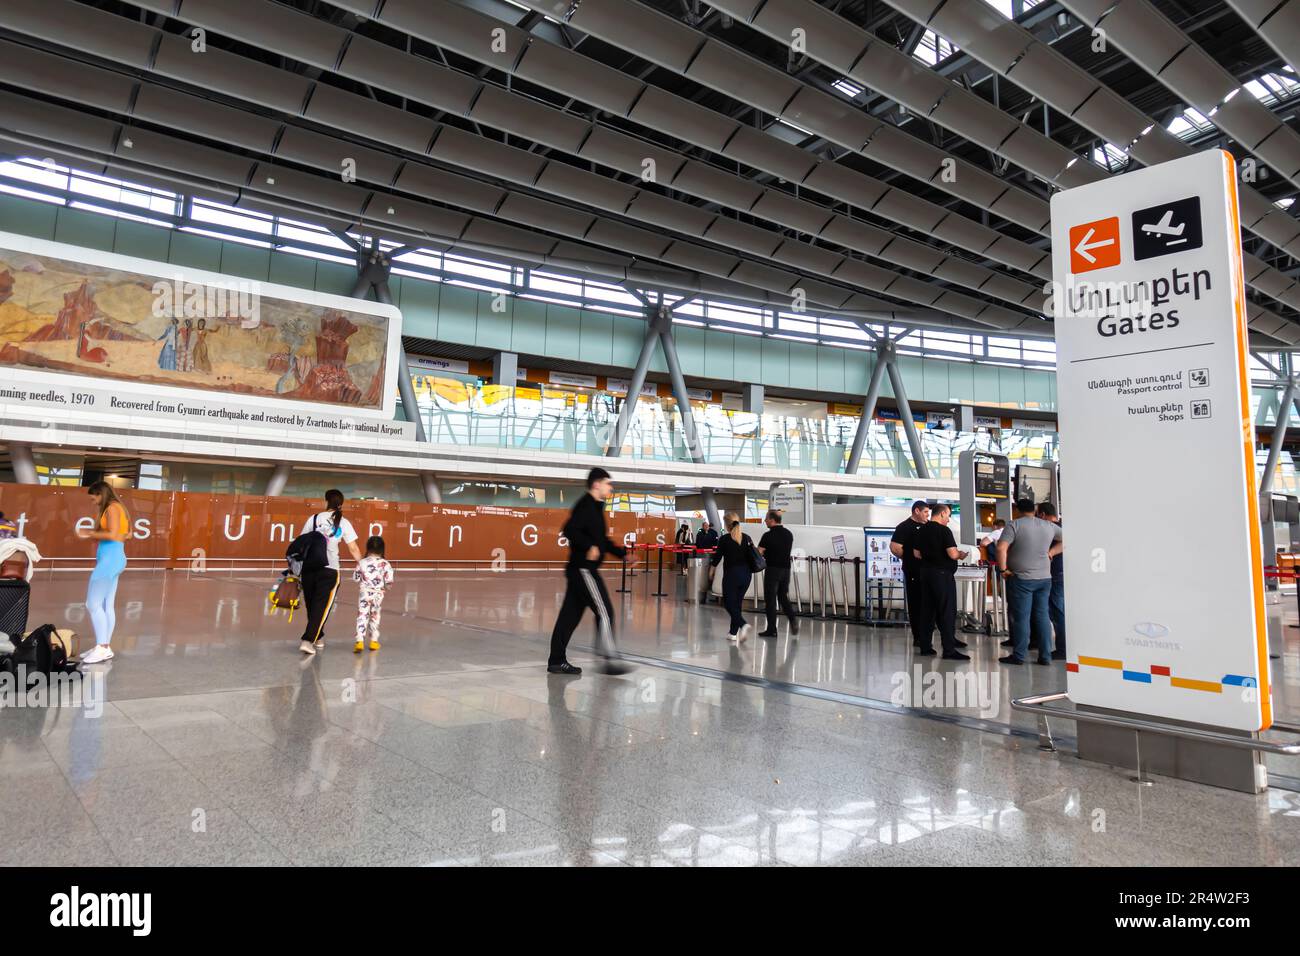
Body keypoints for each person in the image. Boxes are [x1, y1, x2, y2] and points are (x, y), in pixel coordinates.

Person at [547, 467, 628, 674]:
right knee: (605, 611)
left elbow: (601, 541)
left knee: (569, 617)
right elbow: (569, 530)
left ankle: (557, 660)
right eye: (608, 483)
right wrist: (588, 546)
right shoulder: (585, 506)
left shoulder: (596, 508)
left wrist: (622, 554)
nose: (610, 487)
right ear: (596, 484)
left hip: (579, 570)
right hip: (584, 570)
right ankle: (610, 659)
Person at [997, 498, 1062, 665]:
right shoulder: (1048, 526)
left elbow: (1001, 547)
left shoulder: (1014, 525)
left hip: (1022, 579)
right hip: (1044, 579)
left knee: (1022, 618)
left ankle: (1019, 656)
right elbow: (1067, 539)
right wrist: (1052, 552)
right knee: (1042, 616)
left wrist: (1003, 569)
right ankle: (1045, 656)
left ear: (1017, 510)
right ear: (1034, 510)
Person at [298, 489, 361, 656]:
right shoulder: (344, 522)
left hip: (309, 568)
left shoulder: (314, 519)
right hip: (330, 569)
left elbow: (301, 542)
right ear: (341, 504)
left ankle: (318, 637)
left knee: (313, 606)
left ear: (325, 501)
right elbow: (353, 548)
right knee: (322, 606)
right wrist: (362, 564)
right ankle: (307, 640)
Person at [75, 481, 130, 664]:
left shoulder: (112, 508)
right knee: (107, 605)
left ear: (101, 494)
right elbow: (127, 534)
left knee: (93, 604)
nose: (93, 502)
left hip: (110, 561)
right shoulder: (117, 508)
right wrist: (98, 534)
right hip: (114, 558)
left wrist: (90, 533)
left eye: (94, 498)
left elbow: (114, 534)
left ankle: (102, 647)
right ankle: (104, 646)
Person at [912, 503, 970, 660]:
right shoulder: (944, 531)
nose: (949, 519)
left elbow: (916, 553)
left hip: (925, 573)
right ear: (943, 514)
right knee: (946, 611)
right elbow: (952, 554)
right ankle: (949, 649)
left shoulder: (922, 529)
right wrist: (960, 555)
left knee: (927, 610)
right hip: (942, 575)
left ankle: (925, 646)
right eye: (949, 515)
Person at [709, 512, 756, 642]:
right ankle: (733, 633)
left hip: (732, 575)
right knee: (737, 603)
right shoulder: (747, 538)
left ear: (727, 524)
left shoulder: (724, 539)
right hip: (746, 576)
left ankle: (743, 624)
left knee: (729, 604)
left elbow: (717, 557)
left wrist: (711, 570)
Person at [890, 500, 930, 648]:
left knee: (928, 602)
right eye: (925, 512)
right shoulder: (904, 527)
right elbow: (895, 548)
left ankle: (927, 633)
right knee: (916, 603)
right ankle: (918, 635)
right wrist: (910, 558)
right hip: (913, 570)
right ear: (917, 511)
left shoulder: (928, 526)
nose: (927, 515)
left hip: (928, 571)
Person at [757, 510, 798, 638]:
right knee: (782, 597)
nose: (765, 521)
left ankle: (771, 629)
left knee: (770, 599)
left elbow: (759, 553)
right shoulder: (788, 534)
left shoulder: (767, 536)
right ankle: (792, 619)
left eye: (766, 519)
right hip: (786, 570)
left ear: (772, 520)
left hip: (773, 570)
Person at [352, 535, 393, 653]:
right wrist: (385, 587)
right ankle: (373, 641)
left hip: (364, 593)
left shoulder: (362, 562)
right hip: (378, 594)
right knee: (375, 615)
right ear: (382, 549)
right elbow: (389, 582)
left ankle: (359, 641)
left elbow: (355, 578)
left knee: (362, 615)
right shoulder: (386, 564)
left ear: (367, 548)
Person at [1037, 502, 1066, 660]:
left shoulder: (1050, 529)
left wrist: (1050, 553)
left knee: (1056, 611)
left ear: (1042, 514)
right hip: (1061, 573)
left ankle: (1062, 649)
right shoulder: (1060, 525)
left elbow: (1066, 542)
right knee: (1058, 610)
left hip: (1055, 573)